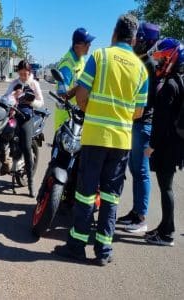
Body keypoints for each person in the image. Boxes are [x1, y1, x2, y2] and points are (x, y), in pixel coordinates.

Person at [54, 14, 148, 266]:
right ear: (135, 38)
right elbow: (139, 111)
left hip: (95, 137)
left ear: (114, 34)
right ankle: (103, 251)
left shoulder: (100, 57)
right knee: (110, 197)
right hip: (121, 142)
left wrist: (92, 110)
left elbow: (82, 95)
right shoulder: (141, 69)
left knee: (85, 193)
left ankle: (77, 245)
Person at [116, 22, 160, 233]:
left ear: (149, 43)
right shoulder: (138, 61)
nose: (136, 43)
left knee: (141, 171)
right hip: (134, 123)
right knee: (134, 169)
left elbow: (148, 100)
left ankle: (141, 217)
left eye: (141, 40)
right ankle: (134, 212)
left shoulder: (150, 65)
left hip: (143, 123)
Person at [144, 38, 184, 246]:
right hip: (173, 145)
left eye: (161, 59)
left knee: (166, 188)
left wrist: (152, 146)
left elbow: (163, 122)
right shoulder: (177, 80)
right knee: (164, 187)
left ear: (171, 58)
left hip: (167, 146)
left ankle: (167, 233)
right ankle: (164, 227)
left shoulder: (170, 85)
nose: (158, 63)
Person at [0, 60, 44, 196]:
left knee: (26, 147)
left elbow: (41, 103)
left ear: (29, 72)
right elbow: (5, 96)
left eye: (25, 74)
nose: (23, 76)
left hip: (26, 118)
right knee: (1, 140)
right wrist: (7, 98)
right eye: (21, 74)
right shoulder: (14, 83)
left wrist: (31, 101)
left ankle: (30, 183)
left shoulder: (34, 84)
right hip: (13, 117)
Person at [54, 27, 95, 129]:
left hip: (77, 117)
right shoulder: (67, 65)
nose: (89, 45)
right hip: (65, 120)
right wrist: (83, 84)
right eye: (87, 43)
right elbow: (63, 96)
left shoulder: (81, 59)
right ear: (77, 46)